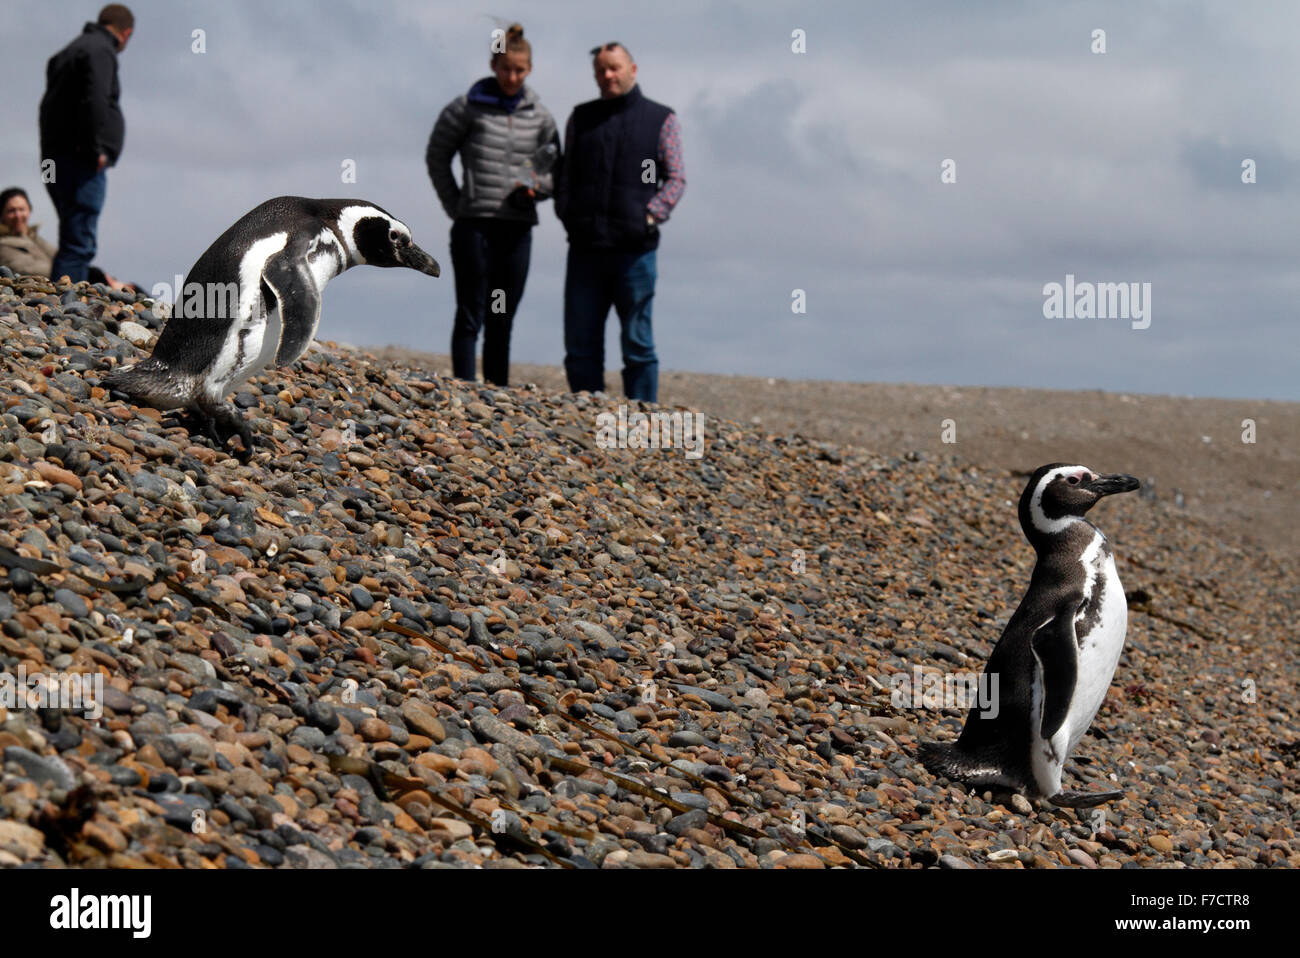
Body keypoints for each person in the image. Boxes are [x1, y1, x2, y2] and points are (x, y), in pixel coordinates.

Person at [426, 23, 559, 387]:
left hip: (517, 226)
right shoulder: (466, 108)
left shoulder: (541, 117)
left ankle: (499, 392)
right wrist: (456, 204)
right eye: (505, 69)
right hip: (474, 225)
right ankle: (465, 388)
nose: (511, 76)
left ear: (529, 69)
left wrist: (537, 190)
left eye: (519, 70)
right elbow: (437, 156)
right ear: (493, 65)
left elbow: (554, 167)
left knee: (502, 313)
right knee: (472, 312)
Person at [555, 41, 685, 403]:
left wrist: (650, 215)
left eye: (614, 67)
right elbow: (564, 175)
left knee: (638, 343)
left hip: (635, 252)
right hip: (585, 249)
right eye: (601, 70)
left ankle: (641, 422)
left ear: (633, 69)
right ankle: (584, 417)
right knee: (581, 342)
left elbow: (676, 178)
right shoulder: (580, 117)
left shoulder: (661, 118)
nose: (607, 75)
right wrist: (568, 214)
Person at [38, 4, 133, 284]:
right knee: (79, 241)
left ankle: (59, 302)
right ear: (126, 33)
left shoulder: (67, 53)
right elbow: (96, 100)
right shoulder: (100, 51)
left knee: (73, 233)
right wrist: (96, 150)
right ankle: (64, 306)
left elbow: (51, 106)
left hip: (55, 157)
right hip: (80, 161)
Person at [0, 186, 135, 289]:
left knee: (128, 287)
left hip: (67, 280)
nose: (18, 215)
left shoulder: (33, 238)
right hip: (58, 284)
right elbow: (30, 269)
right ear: (2, 215)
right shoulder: (3, 245)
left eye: (21, 209)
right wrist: (88, 274)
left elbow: (63, 257)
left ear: (29, 210)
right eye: (11, 211)